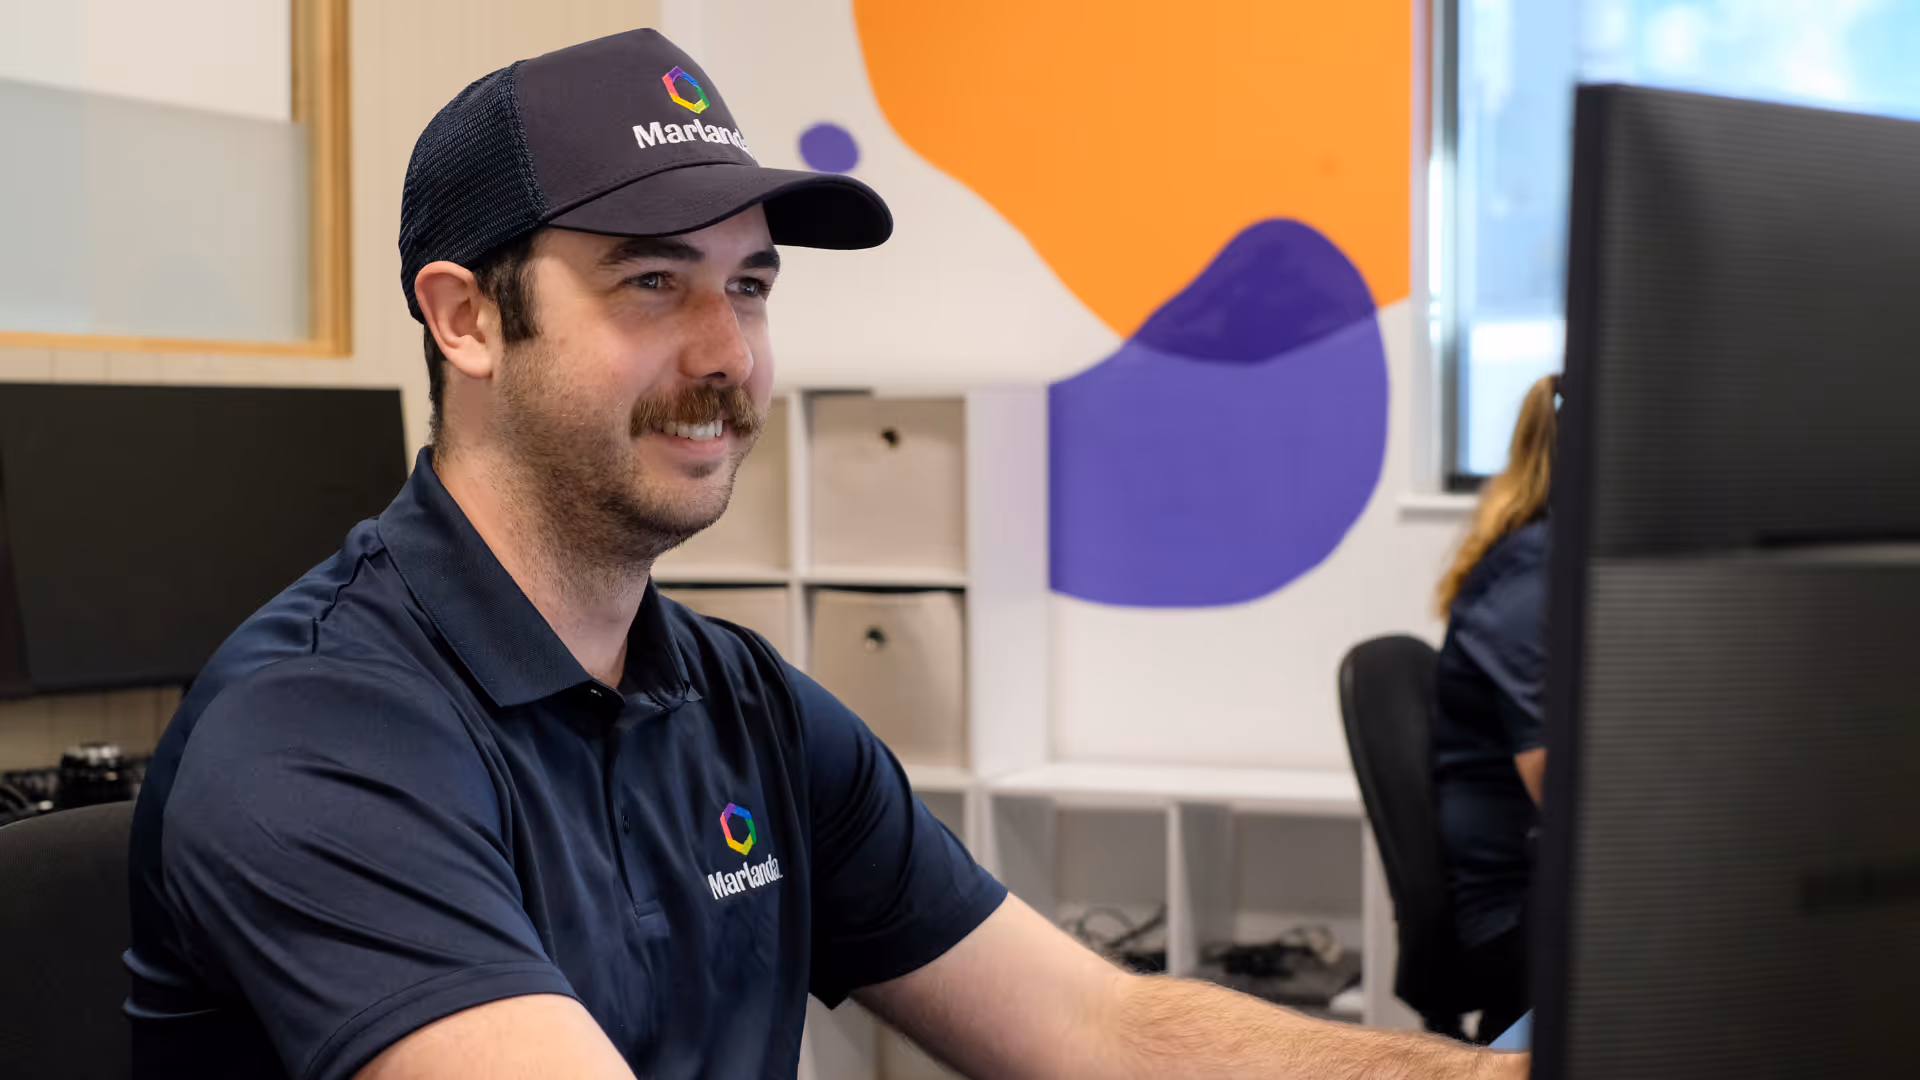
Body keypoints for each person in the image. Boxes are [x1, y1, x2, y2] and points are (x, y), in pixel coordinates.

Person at [125, 28, 1526, 1080]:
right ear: (467, 321)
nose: (730, 355)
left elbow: (1100, 1027)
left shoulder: (739, 704)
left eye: (749, 285)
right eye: (651, 282)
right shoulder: (318, 732)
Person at [1430, 374, 1559, 1042]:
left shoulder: (1558, 566)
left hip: (1548, 888)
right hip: (1513, 910)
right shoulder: (1530, 583)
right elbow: (1561, 792)